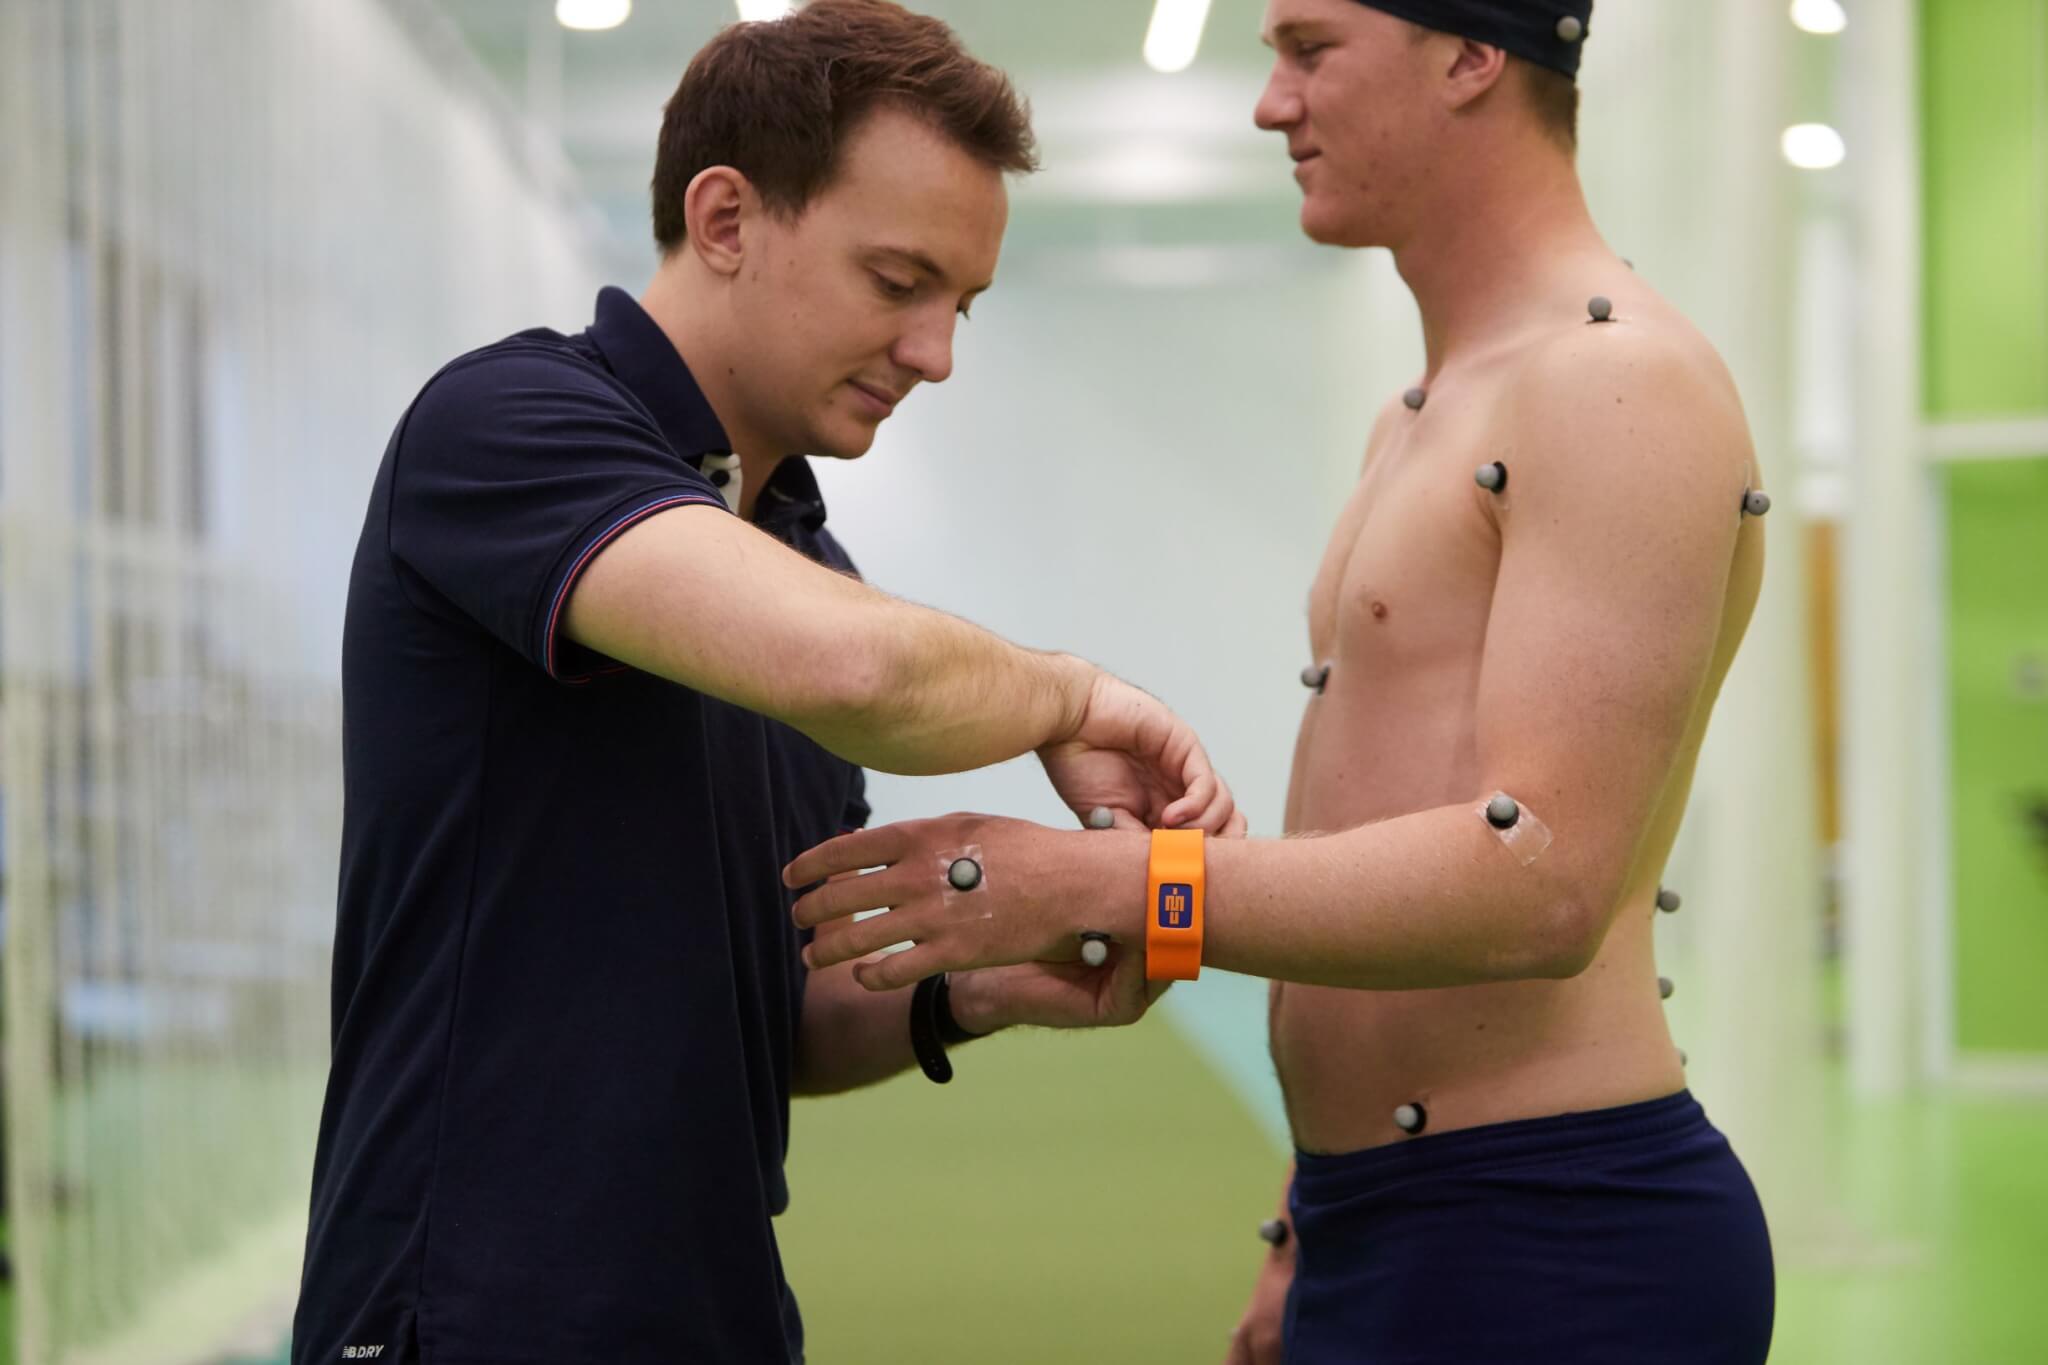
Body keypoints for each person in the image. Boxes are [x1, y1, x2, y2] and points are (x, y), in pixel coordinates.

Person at [785, 2, 1776, 1361]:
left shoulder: (1619, 386)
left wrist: (1095, 881)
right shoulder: (1422, 415)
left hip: (1556, 1230)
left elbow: (1543, 879)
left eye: (1312, 51)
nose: (1272, 105)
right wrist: (1303, 1222)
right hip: (1379, 1213)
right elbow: (1392, 838)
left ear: (1472, 53)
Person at [290, 4, 1239, 1362]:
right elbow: (862, 668)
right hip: (468, 1317)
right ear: (726, 218)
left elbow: (778, 1003)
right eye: (898, 280)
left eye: (958, 303)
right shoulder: (505, 428)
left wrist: (976, 984)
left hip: (717, 1315)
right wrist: (1080, 698)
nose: (936, 352)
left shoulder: (802, 558)